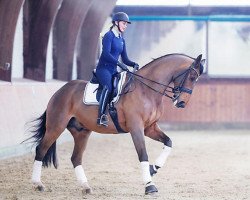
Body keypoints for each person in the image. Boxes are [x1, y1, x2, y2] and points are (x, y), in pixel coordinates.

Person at [95, 12, 139, 127]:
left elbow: (125, 59)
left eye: (126, 24)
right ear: (116, 23)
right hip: (103, 69)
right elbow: (105, 54)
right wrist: (119, 64)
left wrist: (133, 63)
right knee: (108, 87)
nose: (125, 26)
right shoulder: (109, 36)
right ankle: (101, 116)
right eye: (124, 23)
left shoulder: (121, 39)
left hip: (114, 70)